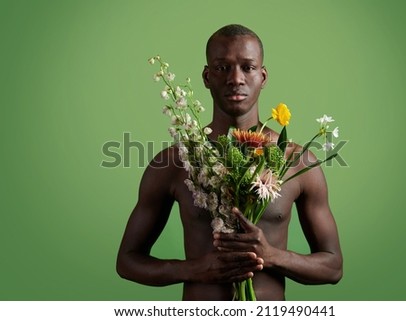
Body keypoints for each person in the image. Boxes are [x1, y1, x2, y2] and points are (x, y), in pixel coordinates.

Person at [116, 24, 343, 300]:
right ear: (206, 76)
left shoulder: (296, 161)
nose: (236, 78)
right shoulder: (175, 161)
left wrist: (272, 256)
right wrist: (193, 269)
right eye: (223, 68)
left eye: (247, 67)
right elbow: (127, 262)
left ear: (263, 76)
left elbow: (332, 267)